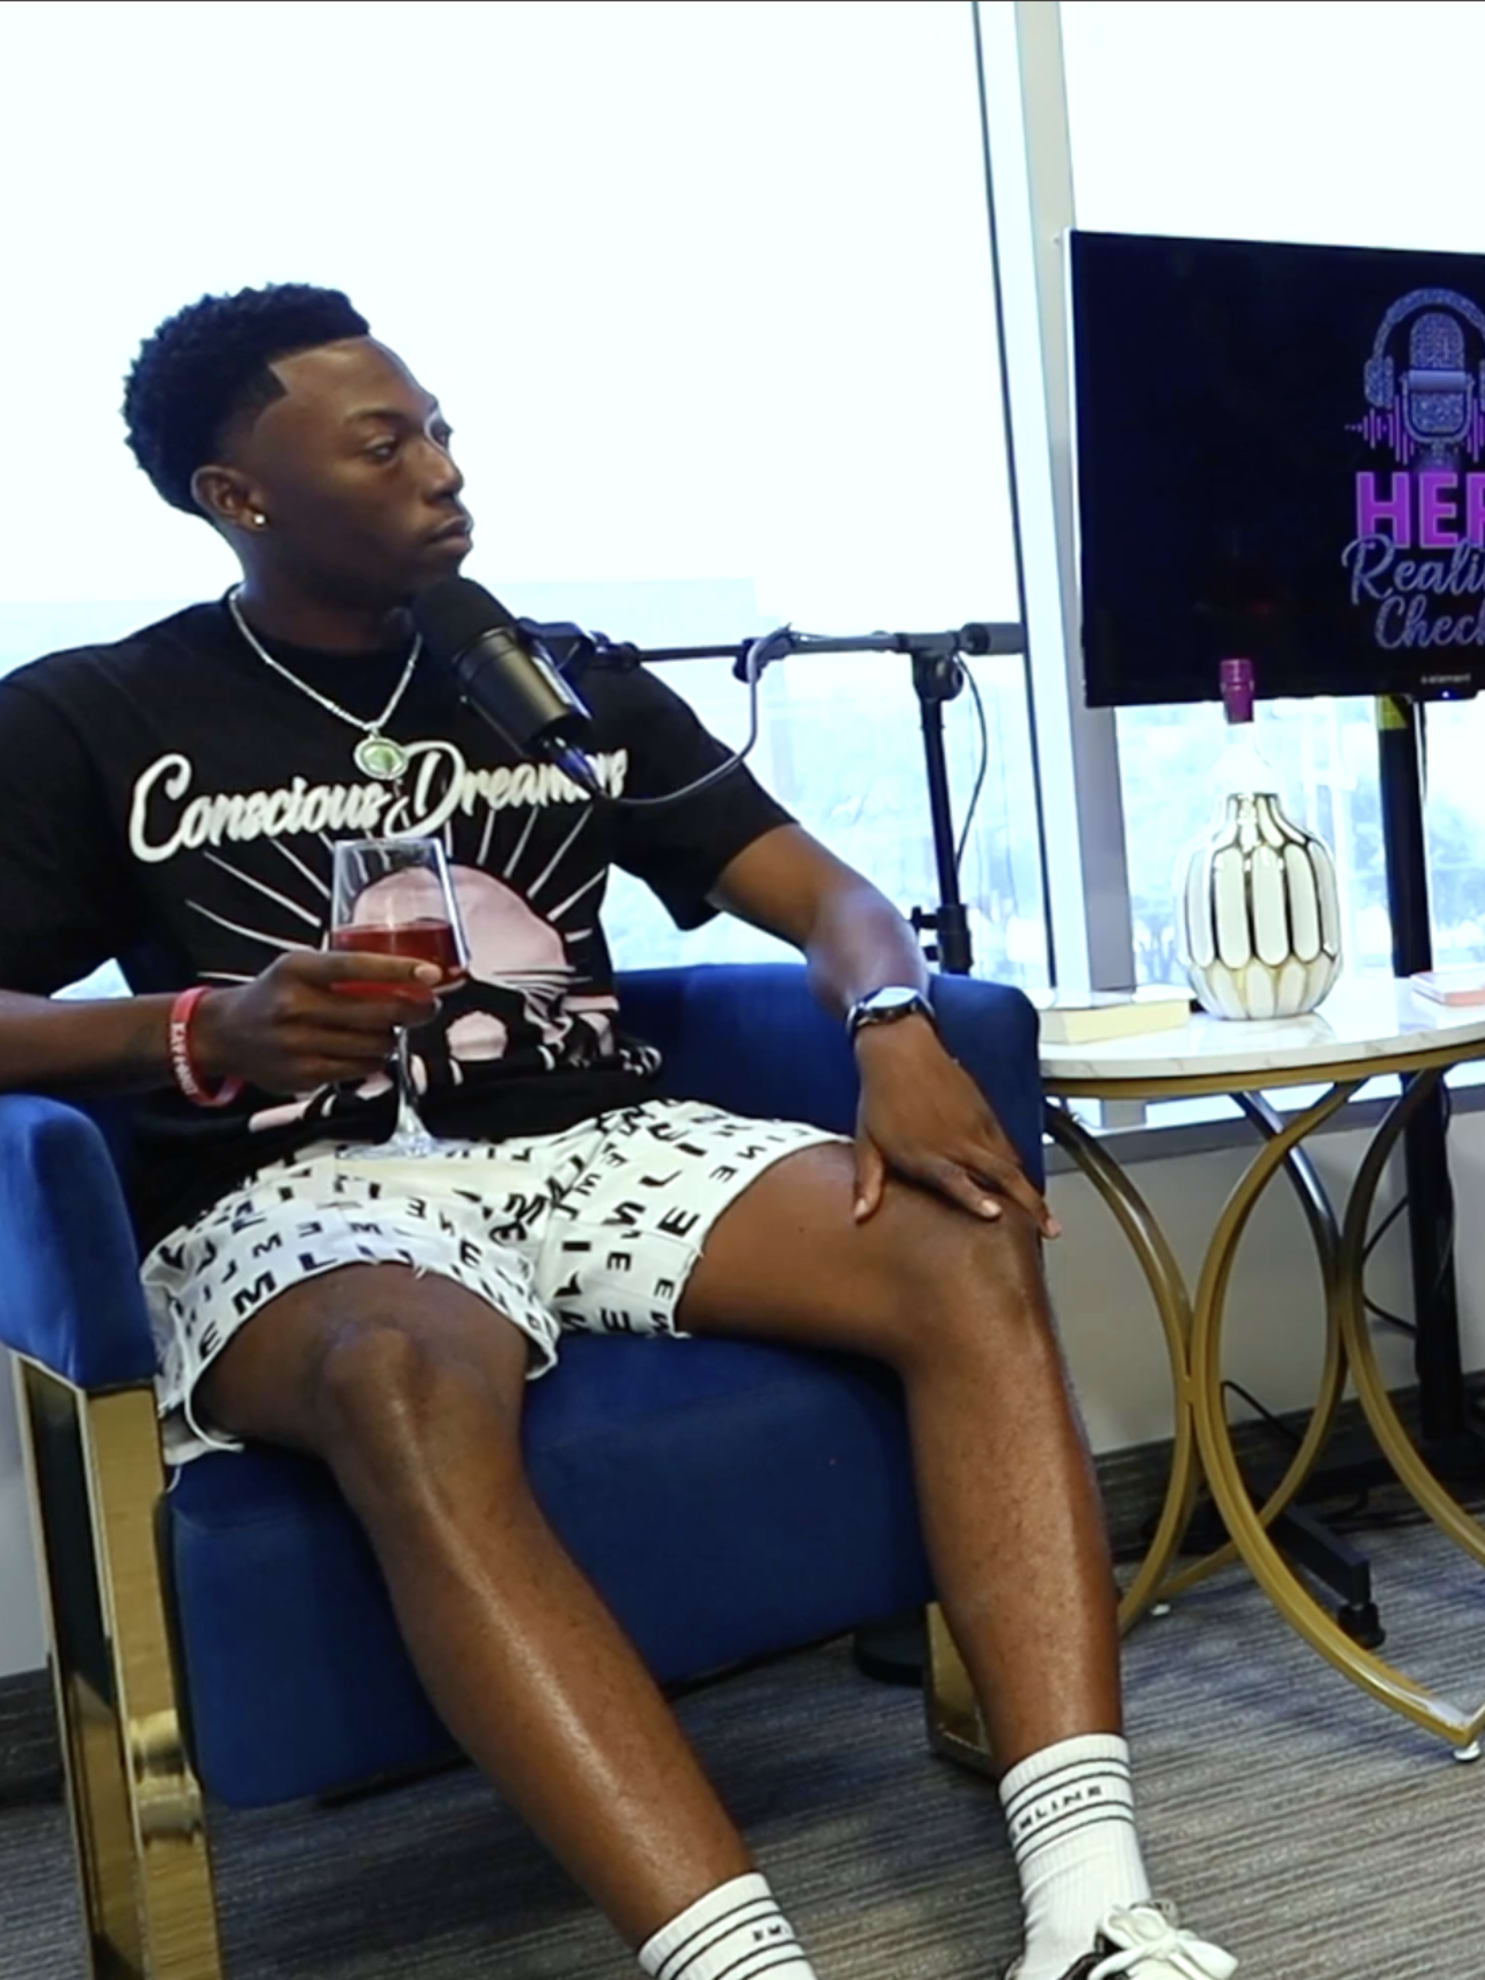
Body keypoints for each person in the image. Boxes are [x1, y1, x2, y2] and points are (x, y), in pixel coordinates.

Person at [0, 286, 1239, 1980]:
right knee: (400, 1373)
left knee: (962, 1239)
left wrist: (892, 1026)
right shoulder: (89, 713)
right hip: (290, 1185)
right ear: (241, 494)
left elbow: (828, 894)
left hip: (589, 1142)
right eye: (389, 443)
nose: (445, 472)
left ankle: (1096, 1910)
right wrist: (196, 1027)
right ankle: (735, 1964)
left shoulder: (549, 681)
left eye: (440, 427)